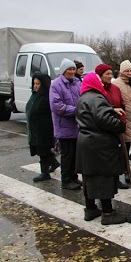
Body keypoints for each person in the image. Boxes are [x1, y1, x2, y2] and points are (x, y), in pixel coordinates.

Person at [76, 72, 127, 225]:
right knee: (104, 177)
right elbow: (104, 119)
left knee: (89, 177)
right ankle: (108, 212)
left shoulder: (84, 97)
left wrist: (111, 109)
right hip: (99, 144)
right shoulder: (97, 97)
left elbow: (95, 113)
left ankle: (90, 209)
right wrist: (120, 124)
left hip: (86, 142)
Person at [94, 63, 130, 189]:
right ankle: (106, 181)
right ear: (100, 76)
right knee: (106, 156)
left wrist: (122, 118)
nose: (110, 76)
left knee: (117, 154)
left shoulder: (115, 88)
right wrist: (113, 109)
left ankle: (116, 178)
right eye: (107, 74)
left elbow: (121, 103)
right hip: (104, 127)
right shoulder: (98, 90)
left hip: (116, 125)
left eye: (110, 73)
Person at [49, 58, 82, 190]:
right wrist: (76, 111)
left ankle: (74, 177)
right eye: (69, 69)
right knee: (67, 155)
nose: (72, 71)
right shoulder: (56, 85)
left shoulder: (77, 82)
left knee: (75, 155)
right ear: (63, 70)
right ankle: (66, 180)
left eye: (73, 69)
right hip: (64, 126)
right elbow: (57, 106)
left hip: (77, 125)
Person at [26, 74, 60, 182]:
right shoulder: (35, 95)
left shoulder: (47, 97)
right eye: (34, 84)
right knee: (42, 150)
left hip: (44, 130)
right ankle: (54, 163)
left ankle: (45, 173)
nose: (35, 86)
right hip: (36, 130)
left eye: (38, 84)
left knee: (42, 152)